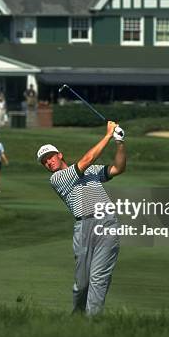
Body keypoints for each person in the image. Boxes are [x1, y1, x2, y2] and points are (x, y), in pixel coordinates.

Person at [37, 121, 126, 316]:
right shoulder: (58, 179)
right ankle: (77, 314)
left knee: (99, 277)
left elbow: (118, 168)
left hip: (107, 223)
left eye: (50, 157)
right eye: (44, 162)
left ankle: (92, 321)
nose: (48, 163)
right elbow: (87, 159)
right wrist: (108, 135)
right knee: (82, 281)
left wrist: (119, 142)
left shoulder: (91, 172)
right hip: (84, 226)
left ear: (59, 155)